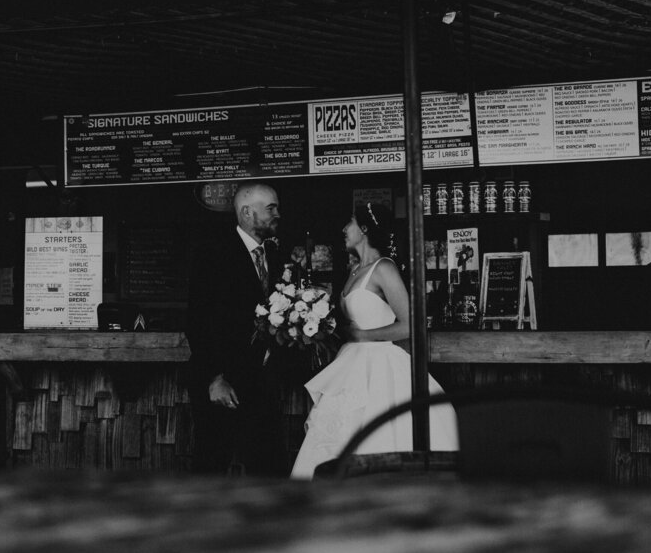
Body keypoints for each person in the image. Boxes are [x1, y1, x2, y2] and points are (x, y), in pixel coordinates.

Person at [290, 202, 458, 479]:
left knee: (378, 430)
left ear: (364, 229)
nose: (344, 229)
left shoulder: (384, 269)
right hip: (349, 363)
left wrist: (363, 336)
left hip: (381, 366)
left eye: (350, 223)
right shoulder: (354, 271)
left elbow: (411, 325)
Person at [185, 182, 293, 477]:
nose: (277, 214)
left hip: (262, 383)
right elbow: (198, 320)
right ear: (247, 212)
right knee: (212, 463)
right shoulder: (213, 253)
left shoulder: (273, 255)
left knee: (270, 468)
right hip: (224, 384)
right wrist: (215, 378)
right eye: (271, 208)